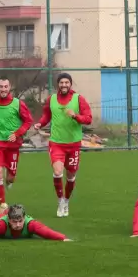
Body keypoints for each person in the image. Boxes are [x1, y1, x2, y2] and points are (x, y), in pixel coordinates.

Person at [33, 73, 93, 217]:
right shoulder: (51, 99)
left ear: (70, 84)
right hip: (56, 143)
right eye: (61, 82)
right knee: (58, 172)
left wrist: (75, 116)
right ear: (58, 84)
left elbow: (88, 119)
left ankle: (66, 200)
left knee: (70, 175)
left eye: (67, 82)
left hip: (73, 144)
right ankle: (60, 200)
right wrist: (40, 123)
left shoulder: (79, 99)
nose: (64, 85)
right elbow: (46, 116)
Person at [0, 77, 33, 208]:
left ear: (9, 88)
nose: (3, 89)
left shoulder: (18, 104)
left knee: (10, 178)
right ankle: (2, 204)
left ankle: (10, 181)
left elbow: (28, 121)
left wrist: (17, 134)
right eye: (1, 86)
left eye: (5, 87)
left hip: (12, 145)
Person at [0, 204, 71, 243]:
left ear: (24, 218)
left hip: (5, 215)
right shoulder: (1, 224)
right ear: (9, 219)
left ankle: (3, 210)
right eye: (14, 222)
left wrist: (63, 238)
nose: (18, 225)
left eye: (20, 221)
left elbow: (47, 232)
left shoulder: (31, 224)